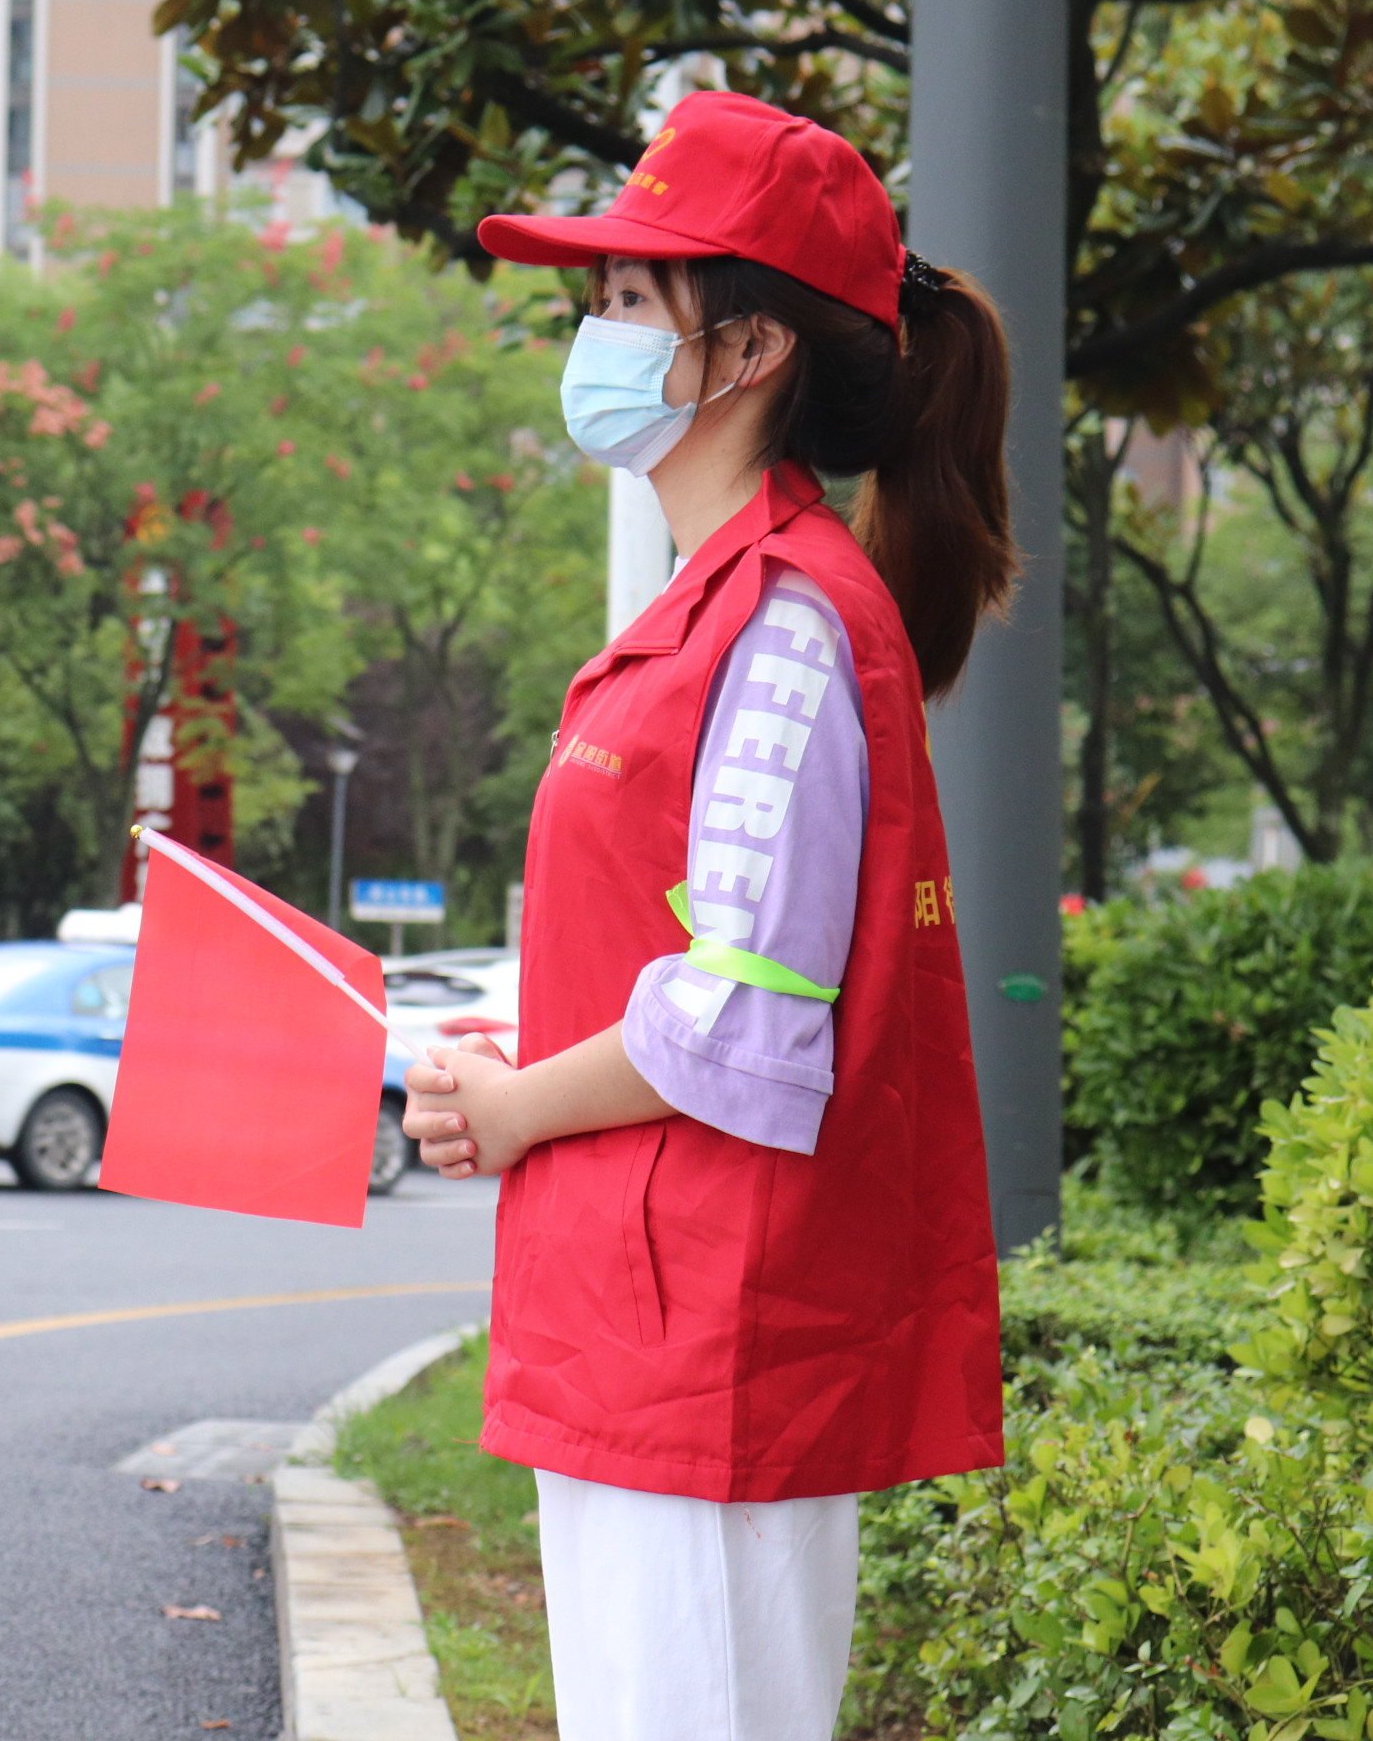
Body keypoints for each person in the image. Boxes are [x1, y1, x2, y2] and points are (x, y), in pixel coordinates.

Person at [401, 90, 1014, 1741]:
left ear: (744, 355)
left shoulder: (790, 624)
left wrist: (522, 1104)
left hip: (720, 1331)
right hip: (642, 1312)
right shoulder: (714, 609)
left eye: (624, 303)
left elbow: (748, 1006)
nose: (590, 335)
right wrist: (506, 1076)